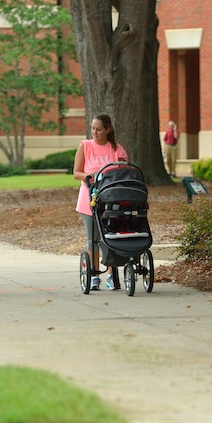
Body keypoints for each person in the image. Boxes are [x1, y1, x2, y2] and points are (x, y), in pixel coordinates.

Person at [73, 114, 128, 291]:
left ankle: (111, 275)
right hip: (89, 198)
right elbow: (76, 173)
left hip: (111, 199)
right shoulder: (85, 146)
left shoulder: (116, 149)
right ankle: (95, 275)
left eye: (98, 129)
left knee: (109, 237)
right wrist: (90, 176)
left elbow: (123, 171)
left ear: (107, 130)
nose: (95, 132)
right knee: (93, 239)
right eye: (93, 129)